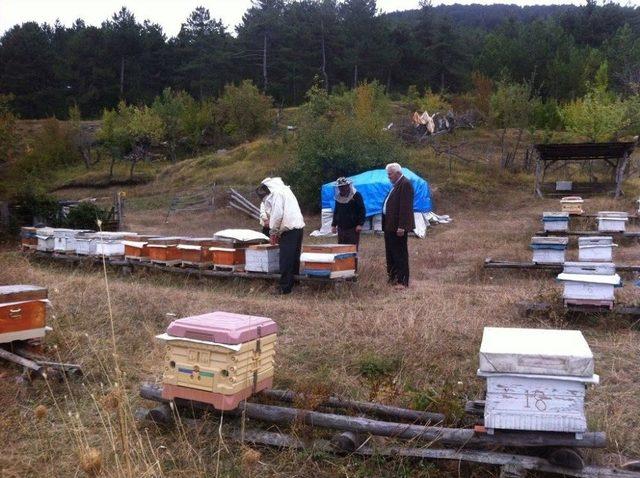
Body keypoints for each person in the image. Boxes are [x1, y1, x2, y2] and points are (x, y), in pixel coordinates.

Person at [256, 177, 305, 295]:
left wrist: (273, 232)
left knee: (285, 259)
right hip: (298, 228)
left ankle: (285, 288)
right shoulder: (286, 191)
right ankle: (295, 283)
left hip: (288, 229)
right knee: (294, 258)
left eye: (265, 189)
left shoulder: (277, 193)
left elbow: (277, 215)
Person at [382, 163, 414, 288]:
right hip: (389, 225)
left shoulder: (405, 184)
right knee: (390, 253)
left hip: (397, 227)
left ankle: (402, 281)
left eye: (390, 174)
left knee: (400, 253)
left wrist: (402, 226)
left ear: (398, 173)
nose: (388, 177)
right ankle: (393, 278)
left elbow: (405, 207)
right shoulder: (396, 185)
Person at [331, 177, 366, 249]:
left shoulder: (356, 195)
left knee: (352, 249)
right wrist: (334, 225)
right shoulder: (338, 197)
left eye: (343, 186)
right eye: (340, 187)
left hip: (353, 228)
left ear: (348, 186)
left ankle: (353, 260)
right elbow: (336, 211)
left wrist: (360, 224)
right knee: (341, 249)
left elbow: (362, 210)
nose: (341, 188)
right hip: (341, 228)